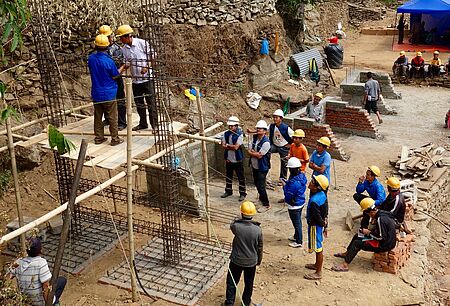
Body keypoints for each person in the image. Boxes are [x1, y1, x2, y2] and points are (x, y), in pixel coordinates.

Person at [332, 198, 397, 272]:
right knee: (357, 236)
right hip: (386, 240)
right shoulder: (382, 213)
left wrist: (368, 232)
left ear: (371, 212)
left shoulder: (380, 219)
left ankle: (345, 265)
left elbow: (381, 237)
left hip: (384, 245)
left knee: (357, 244)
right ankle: (347, 253)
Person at [117, 24, 158, 131]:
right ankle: (143, 123)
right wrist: (121, 70)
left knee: (151, 103)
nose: (120, 40)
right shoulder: (124, 49)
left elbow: (153, 56)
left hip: (147, 79)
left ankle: (155, 126)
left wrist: (147, 67)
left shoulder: (142, 43)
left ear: (127, 36)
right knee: (139, 103)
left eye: (121, 38)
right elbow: (127, 63)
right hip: (135, 81)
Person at [224, 201, 263, 306]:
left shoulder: (236, 227)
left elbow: (232, 224)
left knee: (232, 282)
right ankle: (245, 302)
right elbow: (260, 247)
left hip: (236, 260)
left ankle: (229, 303)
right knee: (249, 283)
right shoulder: (258, 230)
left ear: (242, 213)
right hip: (251, 262)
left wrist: (238, 217)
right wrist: (258, 260)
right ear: (253, 214)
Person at [87, 34, 124, 146]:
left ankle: (99, 138)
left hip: (96, 92)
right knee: (113, 117)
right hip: (109, 93)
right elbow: (115, 75)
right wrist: (124, 67)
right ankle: (115, 139)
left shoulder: (91, 59)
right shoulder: (108, 61)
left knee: (98, 116)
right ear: (107, 47)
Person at [9, 237, 67, 306]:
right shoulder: (41, 263)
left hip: (25, 299)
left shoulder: (18, 262)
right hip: (39, 301)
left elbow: (11, 275)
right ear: (40, 250)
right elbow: (45, 286)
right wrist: (48, 303)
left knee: (60, 281)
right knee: (61, 281)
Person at [98, 25, 127, 130]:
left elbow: (121, 64)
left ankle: (122, 122)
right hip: (105, 79)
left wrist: (117, 72)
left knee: (119, 99)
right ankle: (108, 118)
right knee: (106, 99)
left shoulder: (116, 49)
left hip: (116, 77)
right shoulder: (101, 49)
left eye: (108, 37)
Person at [304, 174, 329, 280]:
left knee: (318, 248)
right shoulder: (322, 195)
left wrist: (323, 224)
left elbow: (317, 217)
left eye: (313, 182)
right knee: (318, 246)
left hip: (315, 226)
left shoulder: (314, 201)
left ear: (316, 187)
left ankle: (318, 272)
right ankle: (316, 265)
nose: (310, 182)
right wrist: (325, 224)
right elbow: (325, 212)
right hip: (319, 225)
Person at [282, 157, 307, 248]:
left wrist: (284, 186)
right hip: (300, 202)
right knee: (297, 222)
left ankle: (299, 241)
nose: (289, 170)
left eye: (290, 169)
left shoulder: (295, 183)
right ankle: (296, 236)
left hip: (294, 206)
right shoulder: (301, 176)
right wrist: (287, 183)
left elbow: (288, 194)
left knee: (297, 223)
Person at [221, 116, 246, 201]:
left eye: (232, 126)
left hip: (237, 160)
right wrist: (228, 146)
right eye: (230, 126)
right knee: (228, 176)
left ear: (236, 126)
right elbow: (223, 145)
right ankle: (228, 190)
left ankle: (242, 193)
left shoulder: (240, 135)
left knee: (241, 177)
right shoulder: (226, 134)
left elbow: (236, 147)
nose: (230, 127)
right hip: (229, 159)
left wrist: (228, 145)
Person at [248, 120, 271, 209]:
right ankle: (261, 199)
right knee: (256, 183)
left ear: (265, 131)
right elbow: (249, 150)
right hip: (255, 165)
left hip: (262, 167)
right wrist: (254, 153)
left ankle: (266, 203)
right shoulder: (254, 138)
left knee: (261, 186)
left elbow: (260, 156)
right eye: (257, 128)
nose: (258, 130)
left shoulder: (266, 142)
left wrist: (253, 153)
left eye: (260, 129)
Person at [269, 109, 293, 182]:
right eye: (274, 117)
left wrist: (291, 144)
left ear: (281, 118)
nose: (275, 119)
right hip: (275, 145)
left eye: (277, 117)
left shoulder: (286, 128)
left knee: (284, 162)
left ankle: (283, 178)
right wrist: (252, 131)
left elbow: (294, 136)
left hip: (284, 147)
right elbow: (263, 130)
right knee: (267, 151)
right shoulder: (272, 126)